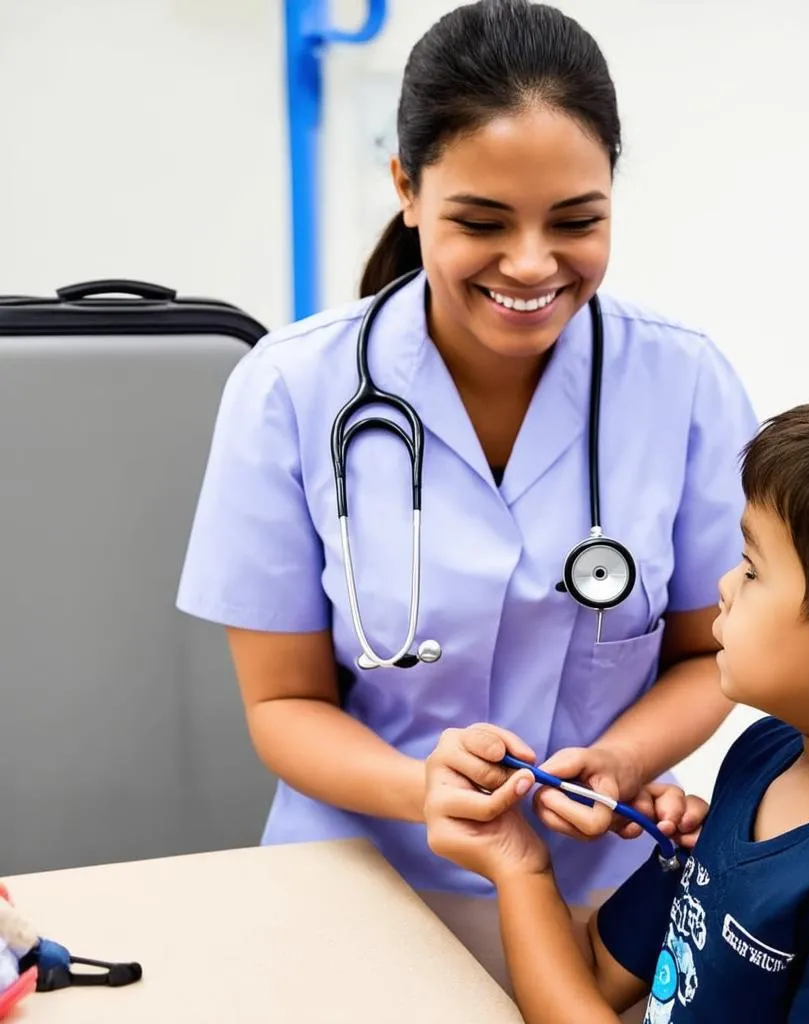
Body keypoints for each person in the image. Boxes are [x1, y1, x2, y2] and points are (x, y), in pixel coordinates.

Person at [175, 0, 757, 915]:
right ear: (406, 189)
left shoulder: (683, 383)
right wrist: (421, 790)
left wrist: (624, 756)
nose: (530, 264)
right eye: (483, 221)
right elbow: (282, 706)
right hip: (358, 884)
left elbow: (708, 655)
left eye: (575, 221)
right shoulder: (288, 389)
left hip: (599, 897)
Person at [422, 375, 809, 1022]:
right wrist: (518, 862)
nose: (724, 585)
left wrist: (523, 874)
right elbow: (595, 975)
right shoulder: (767, 755)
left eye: (753, 568)